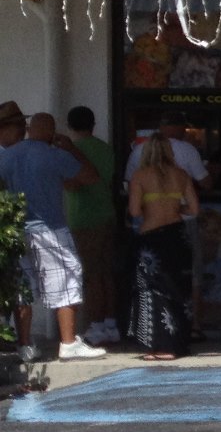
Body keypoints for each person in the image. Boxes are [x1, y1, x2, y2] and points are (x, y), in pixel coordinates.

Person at [0, 103, 107, 360]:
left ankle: (24, 344)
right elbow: (90, 177)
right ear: (50, 131)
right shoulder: (53, 154)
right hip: (50, 227)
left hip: (16, 229)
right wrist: (70, 149)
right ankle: (68, 342)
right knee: (66, 278)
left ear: (29, 129)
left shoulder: (7, 156)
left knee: (22, 287)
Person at [126, 133, 200, 360]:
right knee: (178, 288)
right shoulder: (181, 175)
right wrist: (176, 209)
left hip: (152, 237)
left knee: (152, 290)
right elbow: (194, 209)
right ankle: (177, 344)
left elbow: (134, 211)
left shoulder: (140, 176)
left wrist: (151, 207)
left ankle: (157, 345)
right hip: (176, 236)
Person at [63, 106, 121, 346]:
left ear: (69, 125)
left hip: (84, 216)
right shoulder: (105, 148)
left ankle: (96, 325)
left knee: (91, 275)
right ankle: (111, 324)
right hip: (107, 212)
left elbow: (72, 184)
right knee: (106, 273)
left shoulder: (72, 150)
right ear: (93, 124)